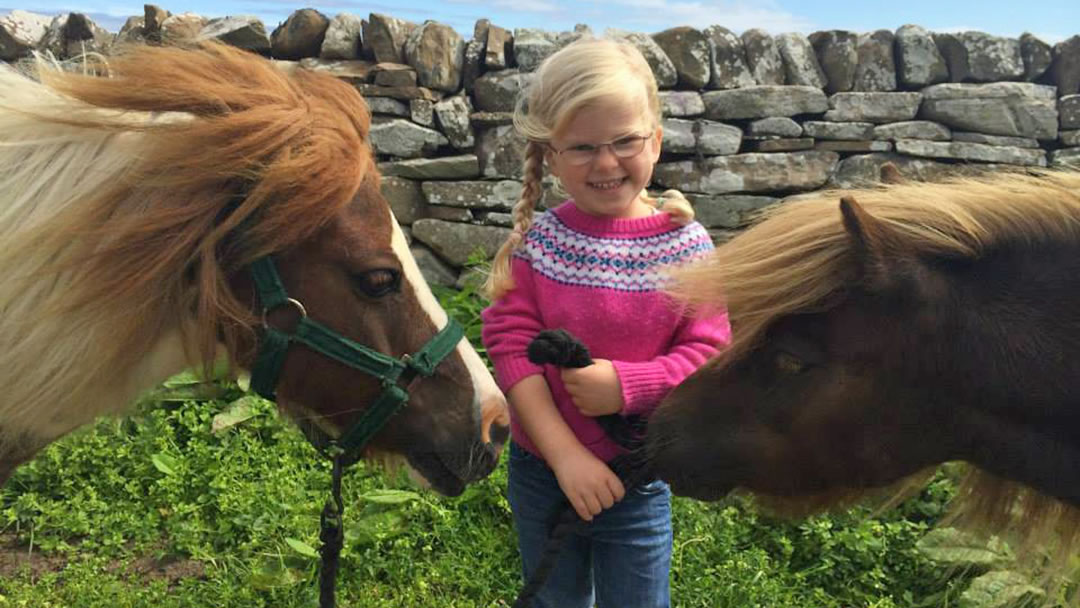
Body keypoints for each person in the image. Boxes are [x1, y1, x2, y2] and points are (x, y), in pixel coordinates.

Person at [480, 37, 731, 608]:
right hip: (542, 470)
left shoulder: (686, 247)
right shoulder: (542, 242)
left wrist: (628, 386)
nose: (607, 162)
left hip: (637, 476)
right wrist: (565, 455)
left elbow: (709, 352)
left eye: (625, 141)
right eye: (583, 146)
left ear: (657, 141)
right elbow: (511, 344)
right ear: (550, 155)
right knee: (555, 598)